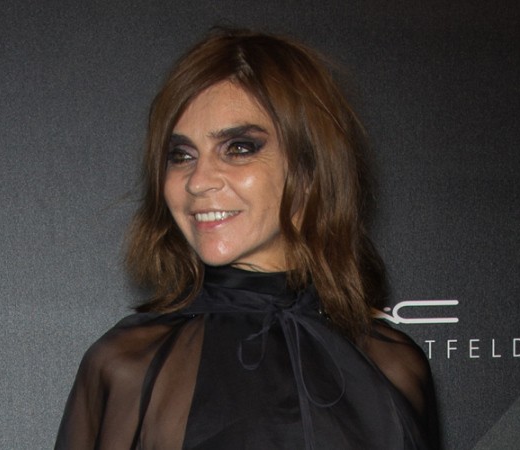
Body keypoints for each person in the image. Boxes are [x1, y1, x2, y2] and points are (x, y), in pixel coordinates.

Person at [55, 28, 439, 449]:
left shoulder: (393, 365)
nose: (198, 181)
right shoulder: (126, 365)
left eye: (238, 148)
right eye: (181, 156)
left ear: (309, 168)